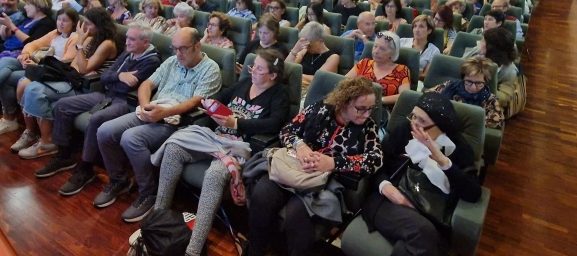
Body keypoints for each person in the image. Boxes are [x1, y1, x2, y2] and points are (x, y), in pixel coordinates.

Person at [153, 49, 290, 256]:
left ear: (273, 75)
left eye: (259, 69)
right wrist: (211, 105)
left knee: (215, 174)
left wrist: (236, 123)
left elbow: (275, 123)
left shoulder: (279, 94)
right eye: (253, 66)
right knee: (173, 148)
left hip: (241, 147)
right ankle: (157, 220)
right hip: (216, 138)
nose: (253, 71)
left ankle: (194, 248)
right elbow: (220, 97)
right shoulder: (245, 83)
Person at [93, 27, 221, 222]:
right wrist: (145, 106)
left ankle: (148, 193)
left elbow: (196, 101)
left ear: (197, 46)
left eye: (183, 49)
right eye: (174, 48)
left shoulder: (210, 68)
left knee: (130, 138)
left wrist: (166, 112)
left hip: (177, 121)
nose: (178, 54)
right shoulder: (171, 62)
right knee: (105, 131)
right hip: (153, 110)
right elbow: (146, 85)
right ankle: (119, 180)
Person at [246, 77, 382, 256]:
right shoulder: (320, 109)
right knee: (263, 193)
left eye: (371, 109)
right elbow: (287, 130)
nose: (366, 114)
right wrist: (300, 146)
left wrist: (334, 163)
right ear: (343, 102)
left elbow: (376, 159)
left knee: (298, 213)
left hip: (324, 181)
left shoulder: (368, 127)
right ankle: (255, 250)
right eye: (361, 108)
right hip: (295, 166)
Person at [33, 23, 161, 195]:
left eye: (132, 39)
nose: (127, 41)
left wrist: (114, 78)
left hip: (125, 103)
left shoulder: (152, 61)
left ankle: (86, 168)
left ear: (145, 42)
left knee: (96, 119)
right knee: (63, 105)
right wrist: (120, 76)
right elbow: (106, 77)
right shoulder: (128, 53)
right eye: (127, 37)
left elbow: (126, 88)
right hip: (106, 95)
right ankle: (64, 156)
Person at [361, 92, 482, 256]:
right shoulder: (404, 129)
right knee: (425, 232)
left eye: (422, 121)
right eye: (414, 117)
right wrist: (386, 187)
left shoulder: (459, 147)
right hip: (387, 200)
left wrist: (442, 160)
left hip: (429, 210)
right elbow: (376, 163)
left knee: (425, 238)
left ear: (441, 126)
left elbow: (473, 193)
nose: (414, 124)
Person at [15, 7, 119, 159]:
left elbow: (83, 68)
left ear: (99, 24)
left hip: (90, 87)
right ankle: (38, 136)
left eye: (88, 24)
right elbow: (75, 66)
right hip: (76, 80)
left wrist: (81, 45)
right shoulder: (91, 38)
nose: (84, 28)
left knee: (35, 91)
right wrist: (82, 62)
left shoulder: (107, 43)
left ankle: (47, 142)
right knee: (31, 87)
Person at [427, 57, 504, 128]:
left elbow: (496, 122)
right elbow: (426, 97)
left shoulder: (490, 100)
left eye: (479, 83)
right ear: (463, 78)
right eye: (469, 81)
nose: (473, 87)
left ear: (485, 82)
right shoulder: (449, 86)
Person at [346, 31, 410, 108]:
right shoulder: (364, 63)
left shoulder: (402, 70)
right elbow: (344, 83)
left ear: (393, 53)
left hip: (382, 110)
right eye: (375, 46)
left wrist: (379, 100)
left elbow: (404, 96)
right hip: (356, 106)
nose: (376, 51)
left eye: (382, 49)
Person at [463, 27, 518, 108]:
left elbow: (503, 98)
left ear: (492, 48)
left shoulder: (510, 71)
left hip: (484, 104)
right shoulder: (478, 51)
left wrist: (480, 88)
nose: (480, 42)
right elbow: (459, 64)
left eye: (483, 41)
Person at [287, 22, 340, 91]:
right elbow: (287, 69)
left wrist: (296, 75)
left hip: (315, 91)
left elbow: (318, 79)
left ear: (321, 41)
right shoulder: (305, 50)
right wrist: (294, 51)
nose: (307, 46)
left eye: (310, 43)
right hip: (298, 87)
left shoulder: (333, 57)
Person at [399, 14, 440, 80]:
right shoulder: (402, 41)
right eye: (415, 26)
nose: (417, 30)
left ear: (429, 30)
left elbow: (426, 75)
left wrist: (406, 76)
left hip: (417, 81)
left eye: (421, 26)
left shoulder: (434, 51)